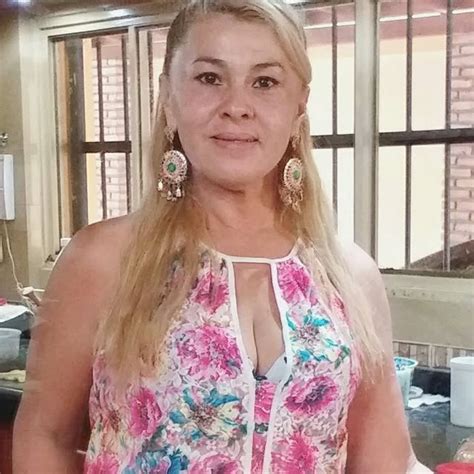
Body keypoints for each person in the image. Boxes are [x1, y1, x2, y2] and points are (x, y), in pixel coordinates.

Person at [13, 0, 431, 472]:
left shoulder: (350, 275)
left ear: (299, 106)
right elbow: (45, 436)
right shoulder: (103, 259)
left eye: (265, 82)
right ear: (168, 98)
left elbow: (386, 460)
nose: (236, 107)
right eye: (210, 78)